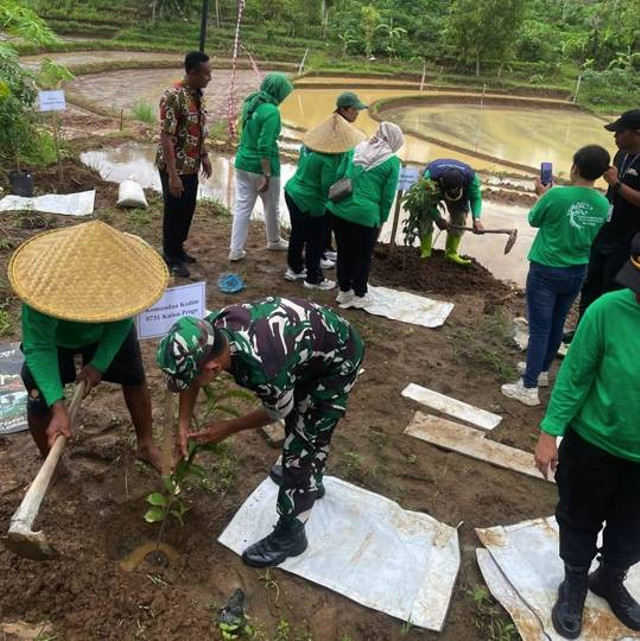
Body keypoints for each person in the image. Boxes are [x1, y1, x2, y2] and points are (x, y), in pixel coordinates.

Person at [156, 297, 364, 567]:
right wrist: (183, 422)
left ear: (214, 369)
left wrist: (227, 428)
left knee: (303, 444)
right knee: (300, 426)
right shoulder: (206, 331)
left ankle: (291, 535)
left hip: (338, 360)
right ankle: (311, 482)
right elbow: (191, 379)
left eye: (193, 377)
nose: (190, 383)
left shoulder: (264, 369)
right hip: (308, 347)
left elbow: (277, 411)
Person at [534, 233, 640, 638]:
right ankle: (575, 579)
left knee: (632, 530)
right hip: (593, 444)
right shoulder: (607, 311)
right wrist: (549, 433)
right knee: (578, 517)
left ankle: (610, 578)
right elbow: (574, 377)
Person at [9, 220, 168, 472]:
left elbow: (122, 321)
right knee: (37, 395)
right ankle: (49, 461)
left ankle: (146, 445)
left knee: (135, 378)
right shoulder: (41, 288)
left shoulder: (124, 282)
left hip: (106, 329)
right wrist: (57, 404)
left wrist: (99, 364)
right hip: (58, 339)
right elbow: (39, 347)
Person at [501, 145, 610, 407]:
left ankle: (527, 388)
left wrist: (541, 195)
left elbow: (534, 220)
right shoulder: (604, 203)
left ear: (575, 167)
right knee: (556, 325)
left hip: (547, 269)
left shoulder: (556, 196)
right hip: (577, 271)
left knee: (539, 328)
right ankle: (539, 373)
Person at [326, 122, 404, 309]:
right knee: (362, 256)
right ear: (393, 141)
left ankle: (344, 292)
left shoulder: (357, 149)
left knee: (344, 252)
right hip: (365, 215)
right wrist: (382, 220)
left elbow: (339, 174)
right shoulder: (392, 162)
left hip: (339, 210)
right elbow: (387, 197)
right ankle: (360, 294)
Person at [284, 114, 365, 291]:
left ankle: (295, 268)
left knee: (298, 232)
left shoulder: (308, 147)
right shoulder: (329, 159)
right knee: (315, 240)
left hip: (292, 192)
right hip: (309, 201)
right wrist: (347, 189)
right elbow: (327, 190)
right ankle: (313, 278)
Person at [575, 110, 640, 322]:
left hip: (627, 239)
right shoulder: (620, 154)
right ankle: (582, 330)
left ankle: (603, 338)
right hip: (606, 231)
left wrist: (616, 183)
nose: (615, 136)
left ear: (637, 133)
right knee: (590, 283)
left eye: (620, 132)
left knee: (612, 289)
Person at [156, 51, 212, 278]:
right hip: (175, 167)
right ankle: (170, 255)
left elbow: (197, 128)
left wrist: (205, 155)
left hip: (191, 165)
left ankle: (179, 249)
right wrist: (173, 176)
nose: (210, 78)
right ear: (192, 72)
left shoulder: (197, 94)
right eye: (206, 73)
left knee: (187, 208)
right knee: (175, 211)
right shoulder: (173, 96)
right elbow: (166, 138)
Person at [229, 74, 294, 262]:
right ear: (278, 92)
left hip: (242, 162)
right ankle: (273, 240)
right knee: (271, 205)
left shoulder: (252, 102)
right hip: (262, 165)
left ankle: (235, 250)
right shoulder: (271, 111)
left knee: (242, 206)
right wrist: (266, 174)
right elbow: (264, 145)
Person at [323, 92, 368, 263]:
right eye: (354, 109)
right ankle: (323, 249)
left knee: (328, 216)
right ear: (344, 109)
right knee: (326, 216)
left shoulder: (339, 124)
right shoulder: (338, 127)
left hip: (334, 177)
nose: (357, 112)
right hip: (330, 178)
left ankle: (326, 247)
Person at [418, 159, 485, 266]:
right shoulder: (430, 177)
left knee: (460, 217)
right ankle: (425, 251)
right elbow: (424, 201)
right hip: (435, 189)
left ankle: (451, 253)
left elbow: (476, 198)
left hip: (460, 194)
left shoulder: (471, 179)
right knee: (424, 214)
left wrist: (476, 219)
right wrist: (437, 218)